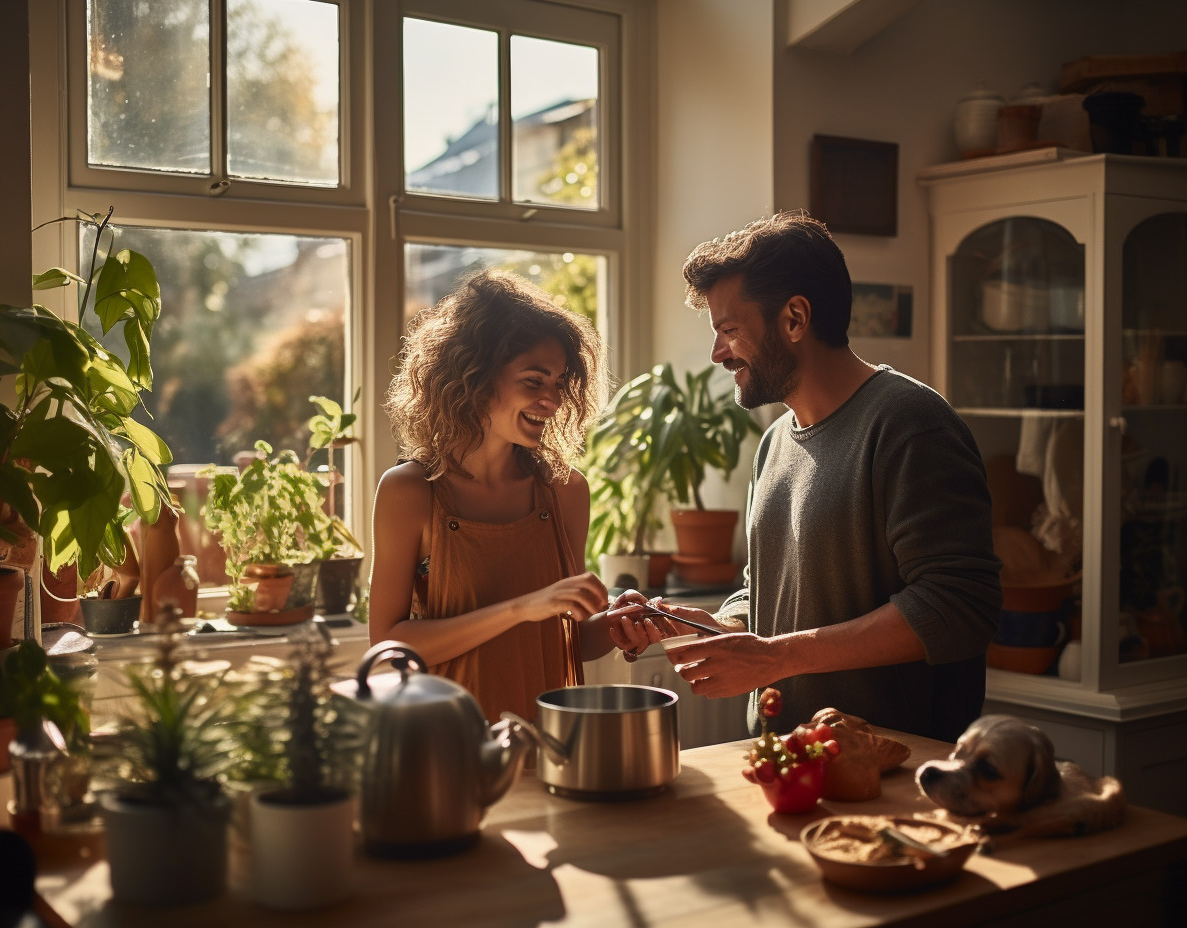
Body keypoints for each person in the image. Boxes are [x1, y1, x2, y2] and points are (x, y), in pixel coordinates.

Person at [602, 211, 1002, 743]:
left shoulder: (910, 423)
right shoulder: (775, 443)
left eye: (729, 331)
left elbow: (958, 606)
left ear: (794, 318)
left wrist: (775, 657)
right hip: (785, 760)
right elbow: (767, 597)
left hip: (896, 774)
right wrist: (708, 628)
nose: (718, 353)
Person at [369, 269, 654, 723]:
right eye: (534, 381)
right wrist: (523, 608)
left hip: (552, 740)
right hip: (451, 746)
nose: (553, 401)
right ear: (476, 377)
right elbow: (389, 645)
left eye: (558, 384)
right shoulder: (410, 492)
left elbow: (568, 639)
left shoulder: (566, 491)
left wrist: (619, 627)